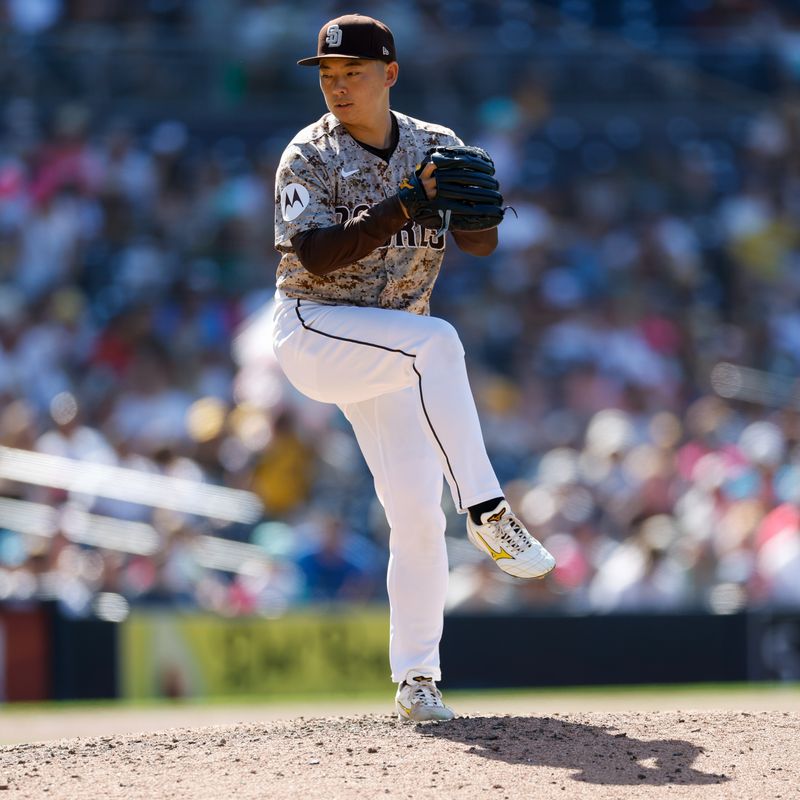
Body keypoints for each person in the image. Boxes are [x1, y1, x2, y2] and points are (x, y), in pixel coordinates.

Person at [271, 13, 555, 722]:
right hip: (315, 330)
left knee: (416, 516)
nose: (337, 86)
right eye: (328, 74)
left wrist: (477, 210)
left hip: (393, 351)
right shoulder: (307, 153)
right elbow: (315, 257)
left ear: (389, 75)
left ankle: (417, 681)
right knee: (439, 343)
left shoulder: (437, 146)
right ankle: (488, 509)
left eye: (352, 73)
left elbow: (481, 245)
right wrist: (406, 203)